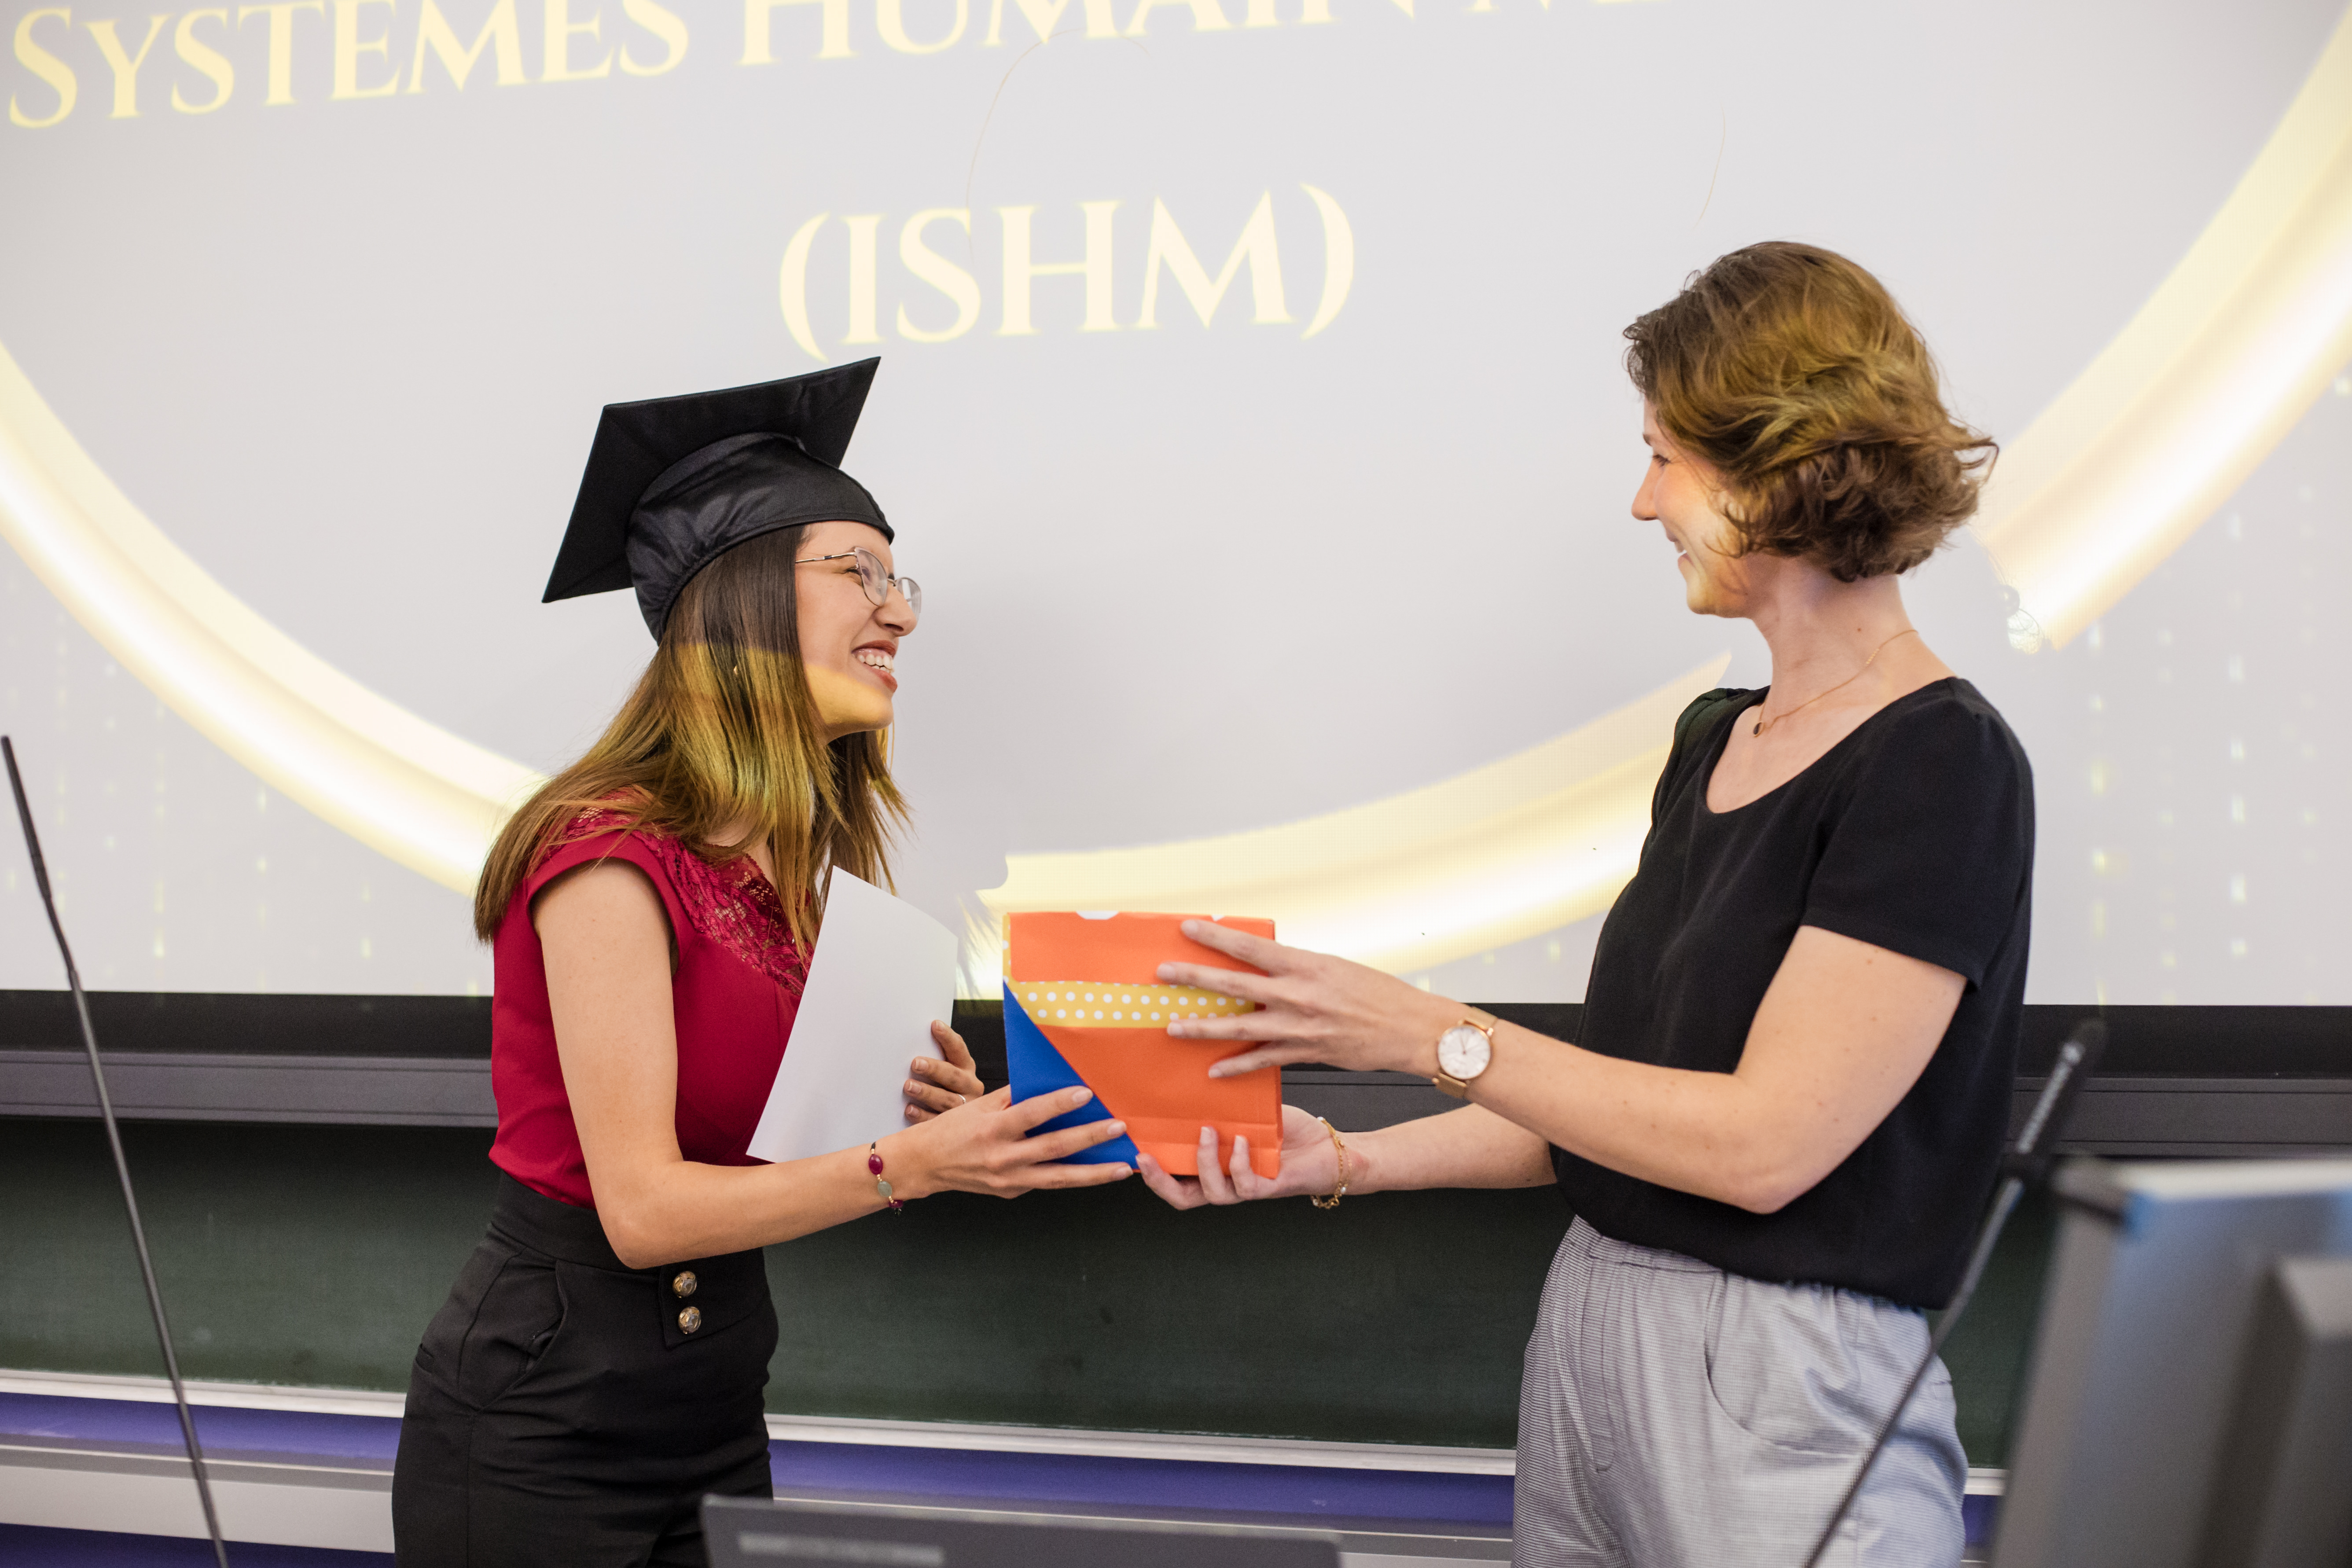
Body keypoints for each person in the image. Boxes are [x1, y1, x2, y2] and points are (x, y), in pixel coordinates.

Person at [1138, 244, 2028, 1568]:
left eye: (1667, 454)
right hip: (1592, 1342)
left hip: (1779, 1380)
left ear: (1777, 460)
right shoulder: (1714, 738)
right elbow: (1619, 1111)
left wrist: (1429, 1031)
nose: (1640, 499)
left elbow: (1761, 1147)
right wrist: (1356, 1159)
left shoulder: (1938, 759)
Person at [390, 360, 1132, 1568]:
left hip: (716, 1398)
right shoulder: (608, 855)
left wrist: (916, 1128)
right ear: (735, 597)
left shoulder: (792, 868)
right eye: (860, 572)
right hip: (545, 1419)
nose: (899, 610)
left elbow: (779, 1143)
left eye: (900, 580)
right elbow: (642, 1211)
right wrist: (905, 1164)